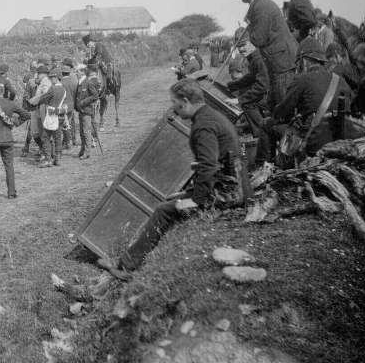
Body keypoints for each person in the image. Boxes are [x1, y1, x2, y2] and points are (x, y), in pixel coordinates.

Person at [97, 79, 250, 278]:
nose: (173, 107)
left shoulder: (203, 126)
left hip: (229, 193)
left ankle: (125, 265)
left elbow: (209, 166)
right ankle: (127, 260)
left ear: (185, 101)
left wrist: (196, 201)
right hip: (234, 185)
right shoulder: (211, 115)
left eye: (173, 102)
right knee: (172, 200)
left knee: (162, 211)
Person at [256, 38, 354, 165]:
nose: (297, 66)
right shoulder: (340, 80)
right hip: (340, 144)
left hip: (313, 144)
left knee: (265, 124)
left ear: (304, 60)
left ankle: (264, 168)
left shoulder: (302, 79)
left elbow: (279, 115)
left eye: (298, 62)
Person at [234, 0, 299, 110]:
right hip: (279, 63)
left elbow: (258, 39)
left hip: (282, 64)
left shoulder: (261, 7)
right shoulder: (258, 5)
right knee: (276, 107)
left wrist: (246, 33)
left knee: (283, 109)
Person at [225, 27, 269, 139]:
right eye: (238, 46)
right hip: (268, 95)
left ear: (252, 43)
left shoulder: (259, 59)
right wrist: (230, 86)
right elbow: (251, 77)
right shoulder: (254, 57)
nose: (240, 49)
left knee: (248, 103)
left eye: (243, 45)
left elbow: (262, 86)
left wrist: (239, 100)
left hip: (273, 97)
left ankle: (263, 135)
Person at [29, 65, 62, 166]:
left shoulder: (46, 83)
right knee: (42, 133)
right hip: (42, 110)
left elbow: (44, 96)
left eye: (38, 73)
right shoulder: (44, 83)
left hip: (44, 110)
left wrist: (33, 101)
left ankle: (47, 155)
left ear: (43, 74)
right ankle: (47, 154)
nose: (37, 75)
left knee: (45, 133)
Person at [73, 63, 99, 159]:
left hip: (86, 111)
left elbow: (95, 96)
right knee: (81, 132)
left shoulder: (88, 82)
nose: (76, 73)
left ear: (83, 72)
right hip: (81, 111)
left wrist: (84, 102)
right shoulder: (80, 83)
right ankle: (83, 151)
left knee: (86, 132)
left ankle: (87, 152)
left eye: (77, 71)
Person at [60, 62, 77, 150]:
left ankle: (67, 142)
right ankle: (68, 141)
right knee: (68, 123)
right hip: (71, 105)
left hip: (63, 106)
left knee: (64, 125)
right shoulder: (73, 82)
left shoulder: (60, 83)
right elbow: (75, 94)